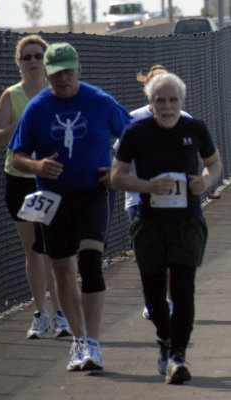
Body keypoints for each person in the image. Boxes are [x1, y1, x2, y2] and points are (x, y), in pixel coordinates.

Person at [8, 42, 131, 371]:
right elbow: (17, 154)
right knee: (62, 270)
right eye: (55, 72)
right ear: (46, 73)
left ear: (79, 69)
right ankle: (79, 341)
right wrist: (36, 167)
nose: (62, 78)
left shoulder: (99, 101)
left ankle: (93, 341)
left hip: (93, 192)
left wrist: (117, 169)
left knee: (90, 261)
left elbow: (133, 136)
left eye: (67, 71)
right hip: (54, 199)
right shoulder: (38, 107)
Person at [111, 72, 222, 384]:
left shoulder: (195, 128)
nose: (167, 106)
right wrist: (147, 185)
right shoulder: (136, 132)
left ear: (181, 102)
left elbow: (214, 163)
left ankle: (178, 356)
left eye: (173, 100)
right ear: (151, 103)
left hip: (187, 221)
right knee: (154, 293)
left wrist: (206, 181)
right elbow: (117, 176)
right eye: (161, 100)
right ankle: (165, 338)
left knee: (184, 289)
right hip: (149, 224)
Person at [0, 34, 71, 340]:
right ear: (19, 63)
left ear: (47, 61)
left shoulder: (58, 93)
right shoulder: (12, 96)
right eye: (28, 57)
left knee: (56, 249)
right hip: (20, 180)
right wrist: (20, 124)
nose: (34, 62)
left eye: (39, 56)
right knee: (34, 251)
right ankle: (40, 314)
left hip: (53, 179)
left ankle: (63, 313)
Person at [113, 65, 191, 320]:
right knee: (148, 253)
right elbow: (120, 156)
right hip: (138, 198)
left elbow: (200, 157)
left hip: (175, 199)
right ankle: (153, 299)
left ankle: (167, 299)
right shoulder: (133, 120)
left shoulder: (186, 120)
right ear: (148, 91)